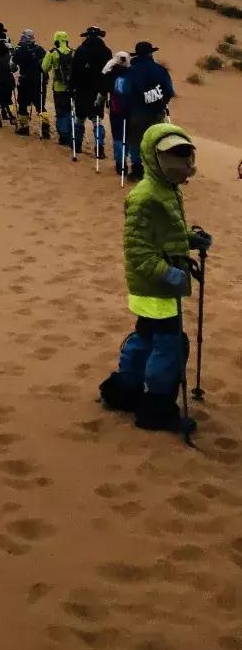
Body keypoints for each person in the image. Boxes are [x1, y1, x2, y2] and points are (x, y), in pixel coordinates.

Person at [99, 123, 212, 433]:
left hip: (158, 286)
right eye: (172, 155)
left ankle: (125, 390)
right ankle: (157, 408)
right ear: (152, 156)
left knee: (146, 337)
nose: (183, 164)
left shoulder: (166, 190)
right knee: (169, 345)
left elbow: (166, 236)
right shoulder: (145, 197)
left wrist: (191, 239)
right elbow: (138, 251)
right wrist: (167, 273)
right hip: (155, 288)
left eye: (185, 154)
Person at [125, 42, 175, 181]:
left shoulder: (131, 70)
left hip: (136, 112)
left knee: (135, 141)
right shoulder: (160, 70)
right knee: (156, 141)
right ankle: (154, 169)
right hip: (156, 112)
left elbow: (126, 90)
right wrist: (162, 102)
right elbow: (169, 91)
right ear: (150, 53)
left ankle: (137, 168)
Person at [70, 27, 112, 157]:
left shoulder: (80, 50)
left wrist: (71, 87)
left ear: (87, 36)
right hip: (98, 91)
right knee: (97, 120)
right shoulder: (106, 51)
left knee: (79, 119)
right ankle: (99, 148)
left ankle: (77, 146)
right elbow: (109, 73)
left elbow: (74, 71)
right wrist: (106, 90)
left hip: (82, 90)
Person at [42, 30, 75, 148]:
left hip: (58, 87)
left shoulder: (53, 53)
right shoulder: (73, 52)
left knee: (60, 112)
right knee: (70, 111)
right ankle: (72, 134)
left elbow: (44, 68)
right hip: (71, 88)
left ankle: (63, 136)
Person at [102, 51, 132, 176]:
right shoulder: (132, 73)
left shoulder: (111, 73)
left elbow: (104, 79)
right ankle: (126, 159)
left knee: (118, 137)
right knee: (128, 136)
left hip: (116, 110)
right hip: (130, 110)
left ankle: (120, 164)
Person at [12, 29, 46, 136]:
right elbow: (45, 65)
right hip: (39, 81)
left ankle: (24, 127)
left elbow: (12, 66)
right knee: (40, 106)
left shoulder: (20, 50)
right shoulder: (41, 50)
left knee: (22, 104)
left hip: (25, 81)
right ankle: (45, 128)